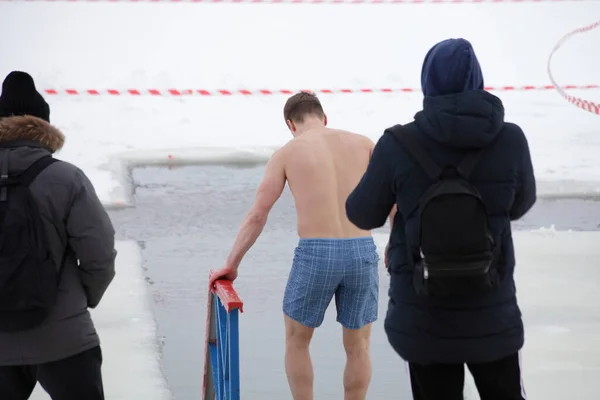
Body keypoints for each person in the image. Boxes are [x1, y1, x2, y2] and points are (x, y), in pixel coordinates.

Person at [345, 38, 536, 400]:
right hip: (492, 314)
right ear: (478, 80)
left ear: (427, 83)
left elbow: (361, 213)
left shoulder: (397, 144)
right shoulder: (510, 139)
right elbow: (521, 204)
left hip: (423, 318)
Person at [209, 91, 380, 400]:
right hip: (362, 249)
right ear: (324, 118)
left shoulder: (287, 153)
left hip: (317, 252)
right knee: (359, 345)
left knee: (297, 341)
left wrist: (232, 264)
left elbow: (258, 215)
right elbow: (396, 205)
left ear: (290, 124)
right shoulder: (365, 143)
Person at [0, 71, 117, 400]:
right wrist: (83, 298)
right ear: (43, 127)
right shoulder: (65, 178)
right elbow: (99, 254)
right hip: (62, 334)